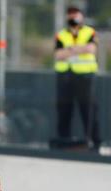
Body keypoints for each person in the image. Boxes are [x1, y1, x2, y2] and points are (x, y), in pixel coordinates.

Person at [54, 6, 101, 149]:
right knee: (64, 109)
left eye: (75, 15)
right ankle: (63, 141)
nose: (73, 18)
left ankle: (94, 142)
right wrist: (80, 49)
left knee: (88, 109)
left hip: (85, 76)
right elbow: (58, 55)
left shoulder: (89, 32)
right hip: (66, 77)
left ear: (81, 17)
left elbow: (91, 49)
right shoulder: (61, 34)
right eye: (70, 15)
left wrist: (69, 50)